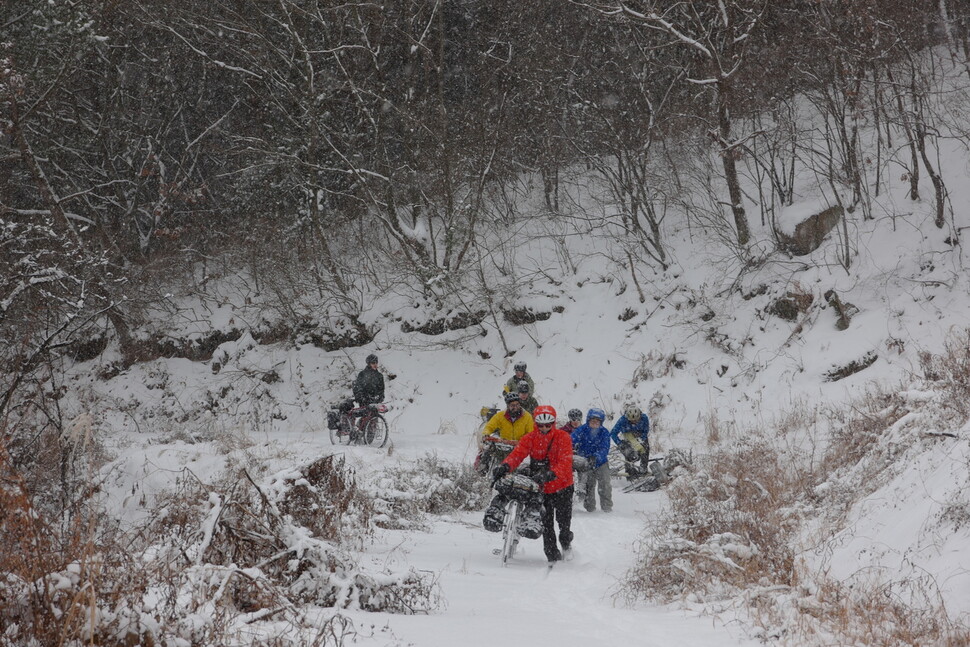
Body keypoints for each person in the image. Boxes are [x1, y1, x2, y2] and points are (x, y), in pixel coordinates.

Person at [489, 405, 574, 562]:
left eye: (548, 424)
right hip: (543, 488)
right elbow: (517, 454)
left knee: (563, 525)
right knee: (546, 525)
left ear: (553, 423)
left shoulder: (563, 437)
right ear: (536, 423)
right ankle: (553, 557)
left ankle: (566, 543)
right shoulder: (530, 438)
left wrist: (551, 474)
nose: (544, 428)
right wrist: (505, 466)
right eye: (540, 425)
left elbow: (566, 461)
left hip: (563, 486)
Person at [476, 391, 535, 475]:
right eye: (512, 405)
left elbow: (531, 434)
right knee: (486, 454)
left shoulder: (527, 417)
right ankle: (482, 474)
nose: (515, 407)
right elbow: (489, 426)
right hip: (502, 446)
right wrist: (486, 434)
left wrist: (523, 442)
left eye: (517, 404)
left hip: (519, 449)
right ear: (508, 406)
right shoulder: (500, 416)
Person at [570, 408, 613, 513]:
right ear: (588, 420)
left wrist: (596, 456)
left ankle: (607, 507)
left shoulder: (604, 432)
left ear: (601, 422)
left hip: (601, 462)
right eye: (592, 421)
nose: (594, 423)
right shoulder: (581, 430)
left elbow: (605, 448)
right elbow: (570, 440)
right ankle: (590, 508)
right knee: (589, 485)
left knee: (605, 485)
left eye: (597, 421)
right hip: (585, 462)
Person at [610, 405, 650, 479]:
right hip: (627, 435)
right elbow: (613, 433)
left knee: (644, 448)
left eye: (636, 420)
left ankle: (643, 467)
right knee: (629, 453)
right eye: (631, 420)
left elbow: (646, 430)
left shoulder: (644, 418)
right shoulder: (622, 420)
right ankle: (629, 471)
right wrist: (619, 443)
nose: (634, 422)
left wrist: (642, 439)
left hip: (639, 434)